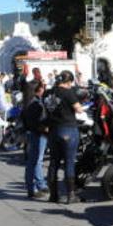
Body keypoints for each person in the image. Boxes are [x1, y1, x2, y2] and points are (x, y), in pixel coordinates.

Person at [45, 70, 83, 204]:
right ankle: (71, 195)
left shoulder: (48, 92)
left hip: (53, 130)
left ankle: (53, 195)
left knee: (54, 162)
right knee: (69, 162)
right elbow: (79, 109)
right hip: (68, 128)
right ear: (69, 82)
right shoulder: (68, 92)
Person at [21, 80, 49, 199]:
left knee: (31, 161)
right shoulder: (37, 104)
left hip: (30, 133)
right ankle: (40, 185)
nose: (44, 90)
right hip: (38, 134)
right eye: (42, 88)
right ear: (38, 90)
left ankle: (30, 187)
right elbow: (41, 121)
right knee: (37, 160)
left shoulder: (27, 102)